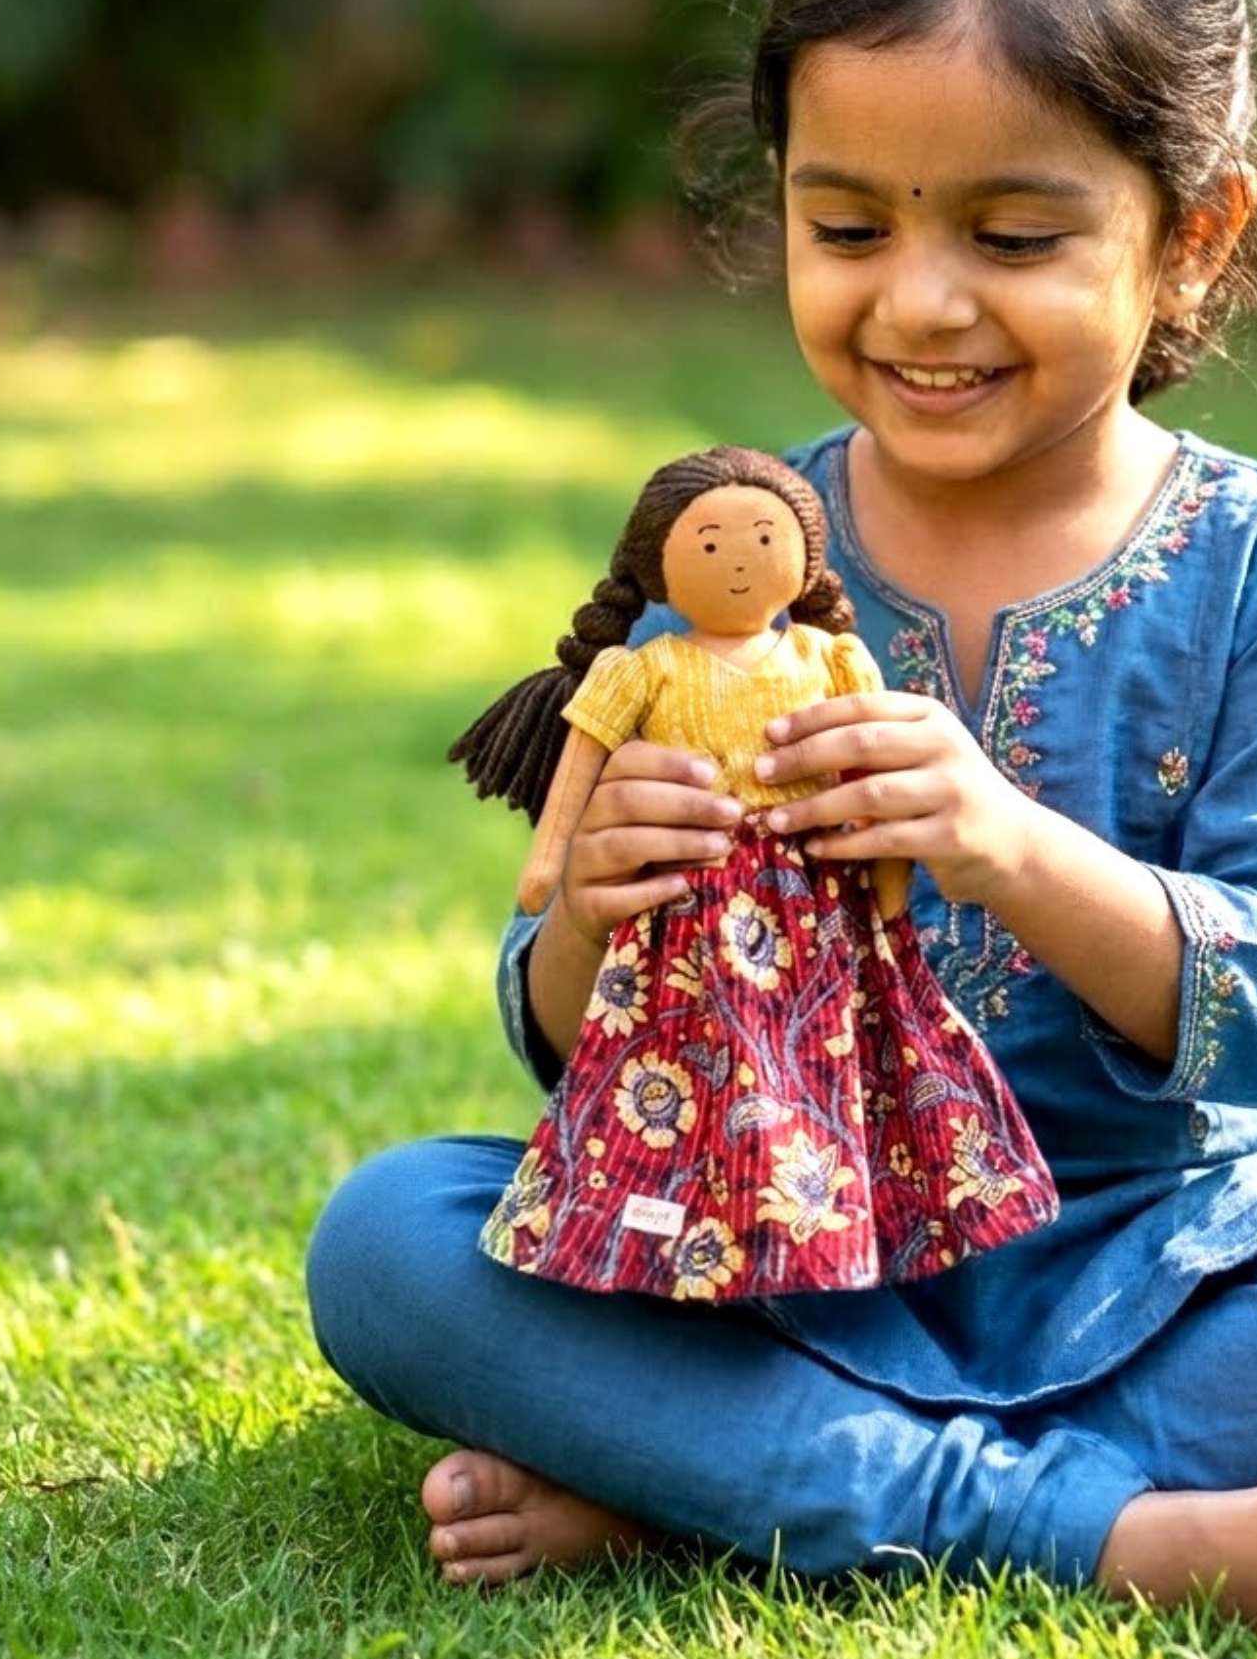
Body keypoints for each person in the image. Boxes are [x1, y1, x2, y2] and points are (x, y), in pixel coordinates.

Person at [306, 0, 1257, 1635]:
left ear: (1193, 236)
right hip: (775, 1242)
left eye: (1010, 233)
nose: (922, 301)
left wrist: (1004, 843)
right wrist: (594, 903)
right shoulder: (725, 554)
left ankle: (722, 1481)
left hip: (1157, 1253)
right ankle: (1087, 1523)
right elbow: (585, 1050)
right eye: (850, 223)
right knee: (392, 1243)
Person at [448, 444, 1056, 1300]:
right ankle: (785, 1350)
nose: (737, 559)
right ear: (654, 560)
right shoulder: (648, 662)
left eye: (760, 538)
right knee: (396, 1222)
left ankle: (677, 1413)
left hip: (835, 947)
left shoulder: (830, 660)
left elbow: (871, 790)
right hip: (693, 975)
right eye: (708, 545)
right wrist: (568, 881)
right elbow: (572, 796)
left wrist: (909, 874)